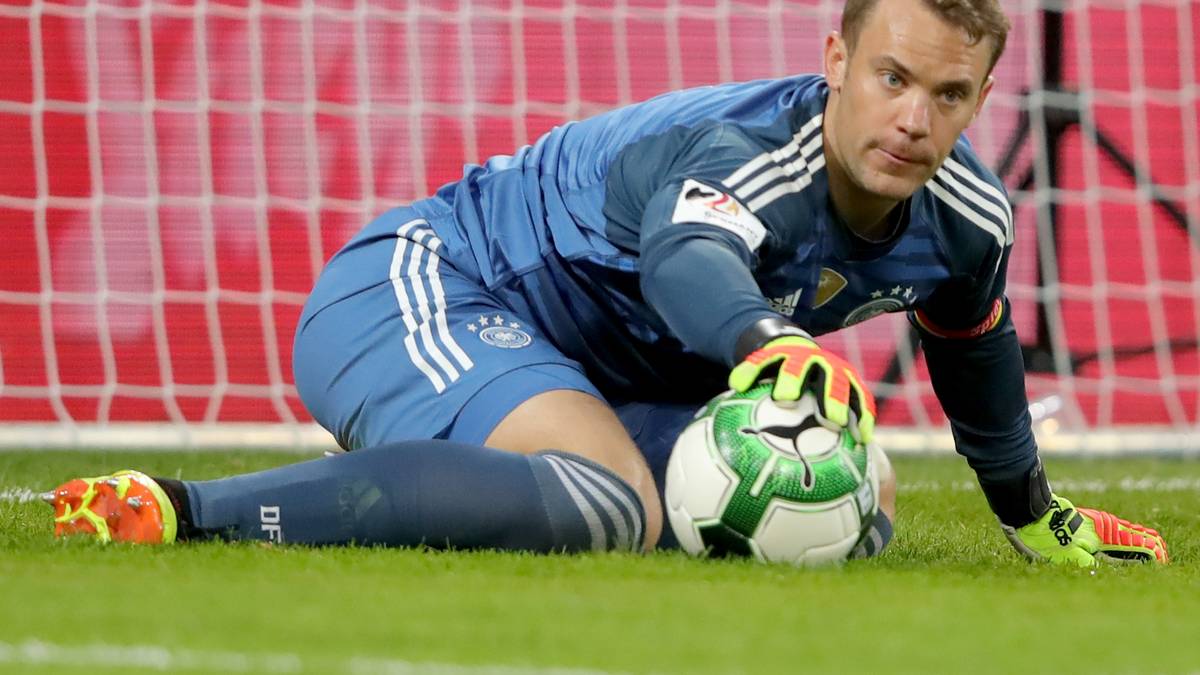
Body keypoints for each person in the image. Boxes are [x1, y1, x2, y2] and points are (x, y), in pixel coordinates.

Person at [45, 0, 1166, 565]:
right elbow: (689, 259)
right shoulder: (749, 152)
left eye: (949, 95)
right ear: (835, 61)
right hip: (430, 286)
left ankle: (467, 466)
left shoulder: (967, 215)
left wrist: (1037, 517)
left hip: (586, 371)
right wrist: (768, 341)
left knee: (851, 500)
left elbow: (972, 349)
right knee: (610, 502)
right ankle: (180, 510)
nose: (915, 118)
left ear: (982, 98)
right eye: (892, 78)